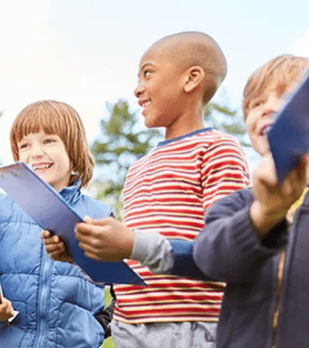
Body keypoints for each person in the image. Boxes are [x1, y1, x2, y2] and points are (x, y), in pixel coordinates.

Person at [44, 32, 250, 348]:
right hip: (130, 326)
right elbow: (134, 260)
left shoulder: (218, 149)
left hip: (194, 329)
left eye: (148, 73)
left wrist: (130, 242)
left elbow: (225, 252)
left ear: (191, 79)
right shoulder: (138, 169)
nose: (137, 88)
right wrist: (81, 255)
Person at [0, 100, 114, 348]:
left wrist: (98, 327)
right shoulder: (0, 212)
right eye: (25, 145)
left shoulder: (100, 217)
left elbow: (128, 295)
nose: (35, 152)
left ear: (73, 148)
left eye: (48, 141)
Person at [192, 55, 309, 348]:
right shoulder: (236, 205)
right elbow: (209, 259)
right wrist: (262, 215)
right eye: (256, 104)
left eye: (285, 98)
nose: (267, 108)